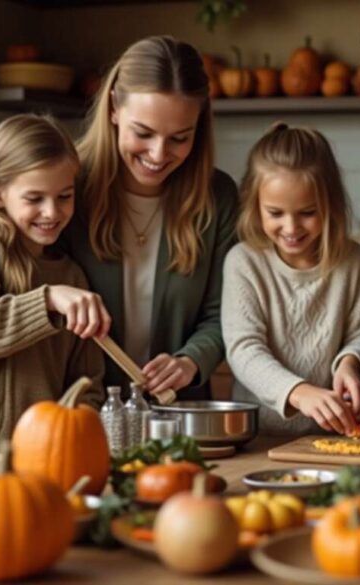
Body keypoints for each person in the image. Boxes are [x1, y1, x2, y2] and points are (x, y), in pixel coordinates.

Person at [61, 35, 238, 400]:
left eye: (179, 137)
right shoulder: (65, 187)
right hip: (80, 413)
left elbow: (226, 313)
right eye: (143, 133)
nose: (159, 154)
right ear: (113, 108)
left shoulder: (217, 196)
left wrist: (191, 361)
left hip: (179, 417)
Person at [0, 114, 108, 454]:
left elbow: (88, 383)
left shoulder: (72, 277)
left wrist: (80, 427)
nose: (51, 212)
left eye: (64, 196)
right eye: (34, 198)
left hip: (39, 456)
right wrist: (48, 300)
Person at [222, 123, 360, 436]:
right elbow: (244, 349)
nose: (291, 227)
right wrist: (300, 393)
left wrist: (351, 363)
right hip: (256, 435)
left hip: (329, 435)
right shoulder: (243, 262)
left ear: (330, 205)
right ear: (255, 207)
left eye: (307, 212)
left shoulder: (353, 262)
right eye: (275, 213)